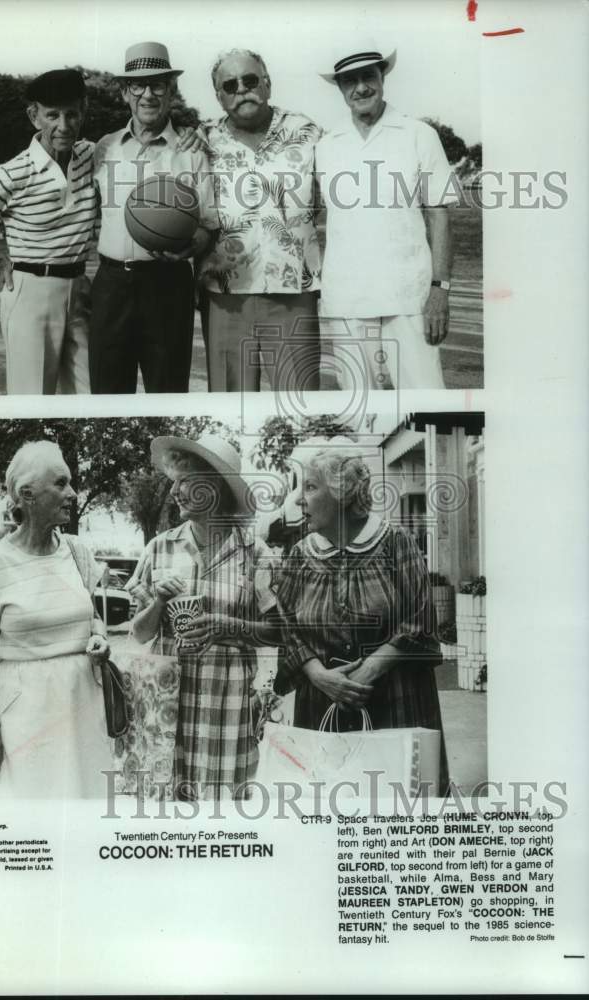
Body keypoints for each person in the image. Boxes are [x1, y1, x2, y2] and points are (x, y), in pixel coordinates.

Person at [275, 438, 449, 790]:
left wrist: (364, 674)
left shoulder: (396, 543)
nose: (298, 500)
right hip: (322, 706)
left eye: (310, 487)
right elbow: (285, 627)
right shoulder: (300, 556)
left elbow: (421, 621)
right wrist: (320, 676)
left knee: (400, 801)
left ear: (343, 493)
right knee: (328, 803)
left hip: (396, 702)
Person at [127, 434, 279, 799]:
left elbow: (279, 632)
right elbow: (139, 634)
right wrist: (158, 603)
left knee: (223, 807)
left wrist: (231, 626)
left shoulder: (254, 553)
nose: (173, 492)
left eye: (183, 482)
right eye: (173, 482)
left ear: (214, 487)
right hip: (167, 706)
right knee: (168, 805)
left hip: (227, 705)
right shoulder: (159, 549)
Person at [0, 441, 113, 798]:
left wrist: (99, 636)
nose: (73, 493)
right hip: (27, 716)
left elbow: (94, 618)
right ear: (27, 495)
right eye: (61, 484)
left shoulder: (77, 552)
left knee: (86, 803)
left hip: (83, 705)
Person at [0, 69, 96, 395]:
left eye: (71, 114)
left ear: (83, 111)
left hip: (80, 289)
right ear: (34, 116)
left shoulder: (91, 155)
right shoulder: (14, 172)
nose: (64, 125)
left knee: (92, 395)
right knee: (32, 397)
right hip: (31, 291)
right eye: (52, 115)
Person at [315, 42, 459, 390]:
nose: (361, 88)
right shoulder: (326, 145)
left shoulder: (419, 135)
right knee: (360, 407)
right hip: (347, 296)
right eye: (350, 81)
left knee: (425, 401)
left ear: (383, 78)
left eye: (368, 76)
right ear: (339, 87)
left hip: (409, 296)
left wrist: (440, 290)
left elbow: (439, 216)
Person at [90, 42, 218, 394]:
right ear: (124, 92)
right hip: (112, 284)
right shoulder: (104, 148)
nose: (147, 94)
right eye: (137, 86)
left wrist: (191, 247)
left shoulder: (192, 152)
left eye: (157, 85)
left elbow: (209, 225)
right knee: (107, 396)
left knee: (168, 393)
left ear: (171, 91)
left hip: (168, 284)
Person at [197, 49, 323, 392]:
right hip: (226, 295)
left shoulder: (307, 131)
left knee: (300, 405)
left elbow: (324, 200)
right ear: (219, 96)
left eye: (250, 80)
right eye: (230, 85)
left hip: (293, 293)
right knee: (230, 406)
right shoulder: (201, 140)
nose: (241, 90)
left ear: (267, 83)